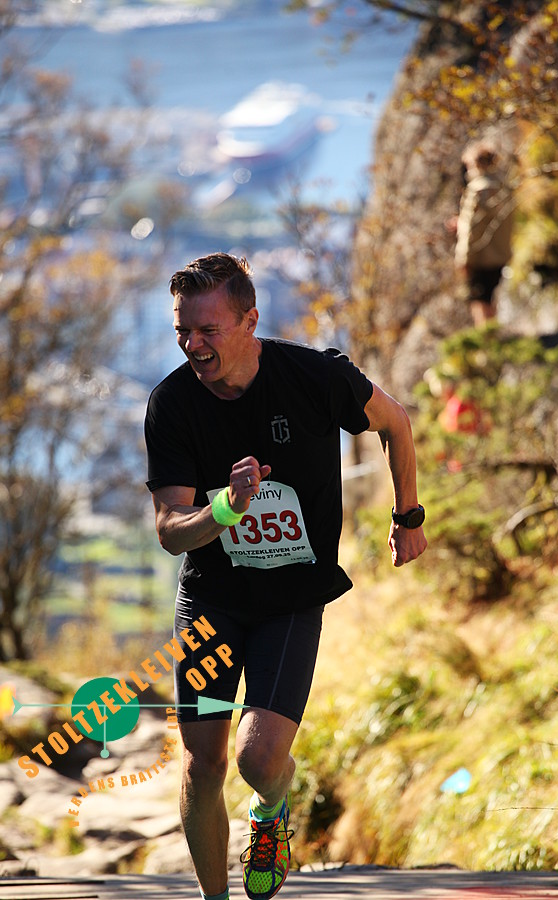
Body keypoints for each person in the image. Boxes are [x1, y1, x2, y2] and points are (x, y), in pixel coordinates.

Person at [144, 253, 427, 900]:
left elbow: (395, 422)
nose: (193, 344)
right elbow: (169, 529)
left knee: (258, 758)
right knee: (203, 765)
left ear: (250, 321)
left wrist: (407, 515)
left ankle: (270, 810)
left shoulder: (313, 376)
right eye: (182, 330)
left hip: (292, 599)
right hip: (211, 602)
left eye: (208, 329)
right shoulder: (172, 403)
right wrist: (225, 508)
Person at [450, 141, 514, 327]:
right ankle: (493, 335)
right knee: (491, 298)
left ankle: (486, 340)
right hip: (501, 254)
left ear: (477, 163)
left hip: (480, 258)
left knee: (479, 301)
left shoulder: (478, 189)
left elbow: (472, 228)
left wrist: (463, 259)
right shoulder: (504, 186)